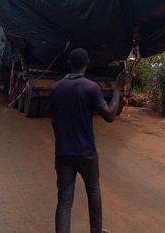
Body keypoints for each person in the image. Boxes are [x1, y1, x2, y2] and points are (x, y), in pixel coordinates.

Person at [50, 48, 129, 233]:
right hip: (86, 152)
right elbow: (109, 116)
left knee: (64, 200)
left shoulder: (56, 88)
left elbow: (54, 120)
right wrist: (117, 87)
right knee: (93, 191)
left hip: (63, 153)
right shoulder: (90, 87)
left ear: (69, 63)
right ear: (88, 63)